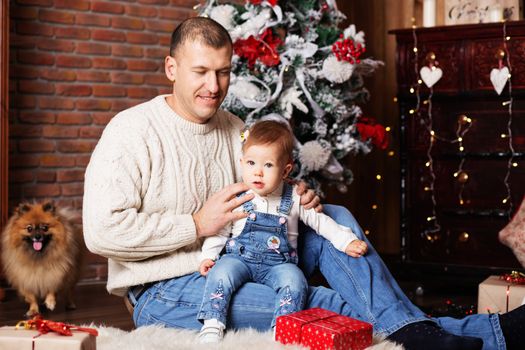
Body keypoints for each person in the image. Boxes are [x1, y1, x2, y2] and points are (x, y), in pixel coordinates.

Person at [82, 16, 525, 350]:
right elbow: (101, 232)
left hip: (247, 251)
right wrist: (196, 224)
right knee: (309, 303)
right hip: (168, 289)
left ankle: (418, 334)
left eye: (223, 72)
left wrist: (298, 198)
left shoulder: (233, 125)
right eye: (200, 72)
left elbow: (264, 186)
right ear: (171, 68)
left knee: (335, 216)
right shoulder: (132, 130)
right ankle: (471, 335)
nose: (213, 86)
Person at [196, 120, 368, 342]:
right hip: (239, 259)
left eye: (268, 165)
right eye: (250, 163)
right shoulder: (239, 197)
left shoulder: (294, 197)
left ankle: (282, 328)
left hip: (279, 265)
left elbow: (321, 222)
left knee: (295, 281)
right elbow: (220, 230)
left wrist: (345, 241)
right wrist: (209, 256)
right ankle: (213, 322)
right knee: (221, 272)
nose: (257, 172)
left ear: (286, 169)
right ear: (241, 163)